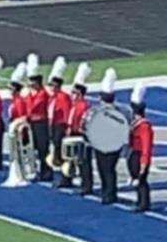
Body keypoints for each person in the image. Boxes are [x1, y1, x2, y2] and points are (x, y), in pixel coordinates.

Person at [64, 62, 93, 195]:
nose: (72, 95)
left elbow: (82, 122)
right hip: (73, 135)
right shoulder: (75, 105)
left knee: (83, 162)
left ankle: (86, 185)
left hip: (80, 136)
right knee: (75, 160)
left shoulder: (83, 106)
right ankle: (76, 181)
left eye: (75, 93)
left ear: (80, 93)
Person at [94, 68, 120, 206]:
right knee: (106, 170)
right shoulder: (119, 112)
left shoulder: (103, 112)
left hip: (107, 145)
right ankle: (108, 192)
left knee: (107, 170)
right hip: (109, 145)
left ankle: (109, 194)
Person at [25, 52, 52, 181]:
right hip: (33, 123)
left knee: (43, 148)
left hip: (41, 123)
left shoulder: (42, 94)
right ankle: (37, 171)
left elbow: (34, 107)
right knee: (33, 148)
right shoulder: (33, 94)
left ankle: (46, 171)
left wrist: (30, 95)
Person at [128, 84, 154, 213]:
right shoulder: (136, 124)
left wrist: (144, 163)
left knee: (141, 180)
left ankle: (144, 203)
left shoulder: (144, 126)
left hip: (140, 155)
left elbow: (146, 146)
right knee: (136, 179)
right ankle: (140, 200)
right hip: (134, 153)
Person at [47, 57, 72, 179]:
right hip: (54, 126)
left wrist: (67, 128)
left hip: (60, 126)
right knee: (56, 149)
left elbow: (66, 113)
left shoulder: (63, 97)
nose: (51, 88)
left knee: (61, 151)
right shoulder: (53, 97)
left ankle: (65, 175)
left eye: (53, 85)